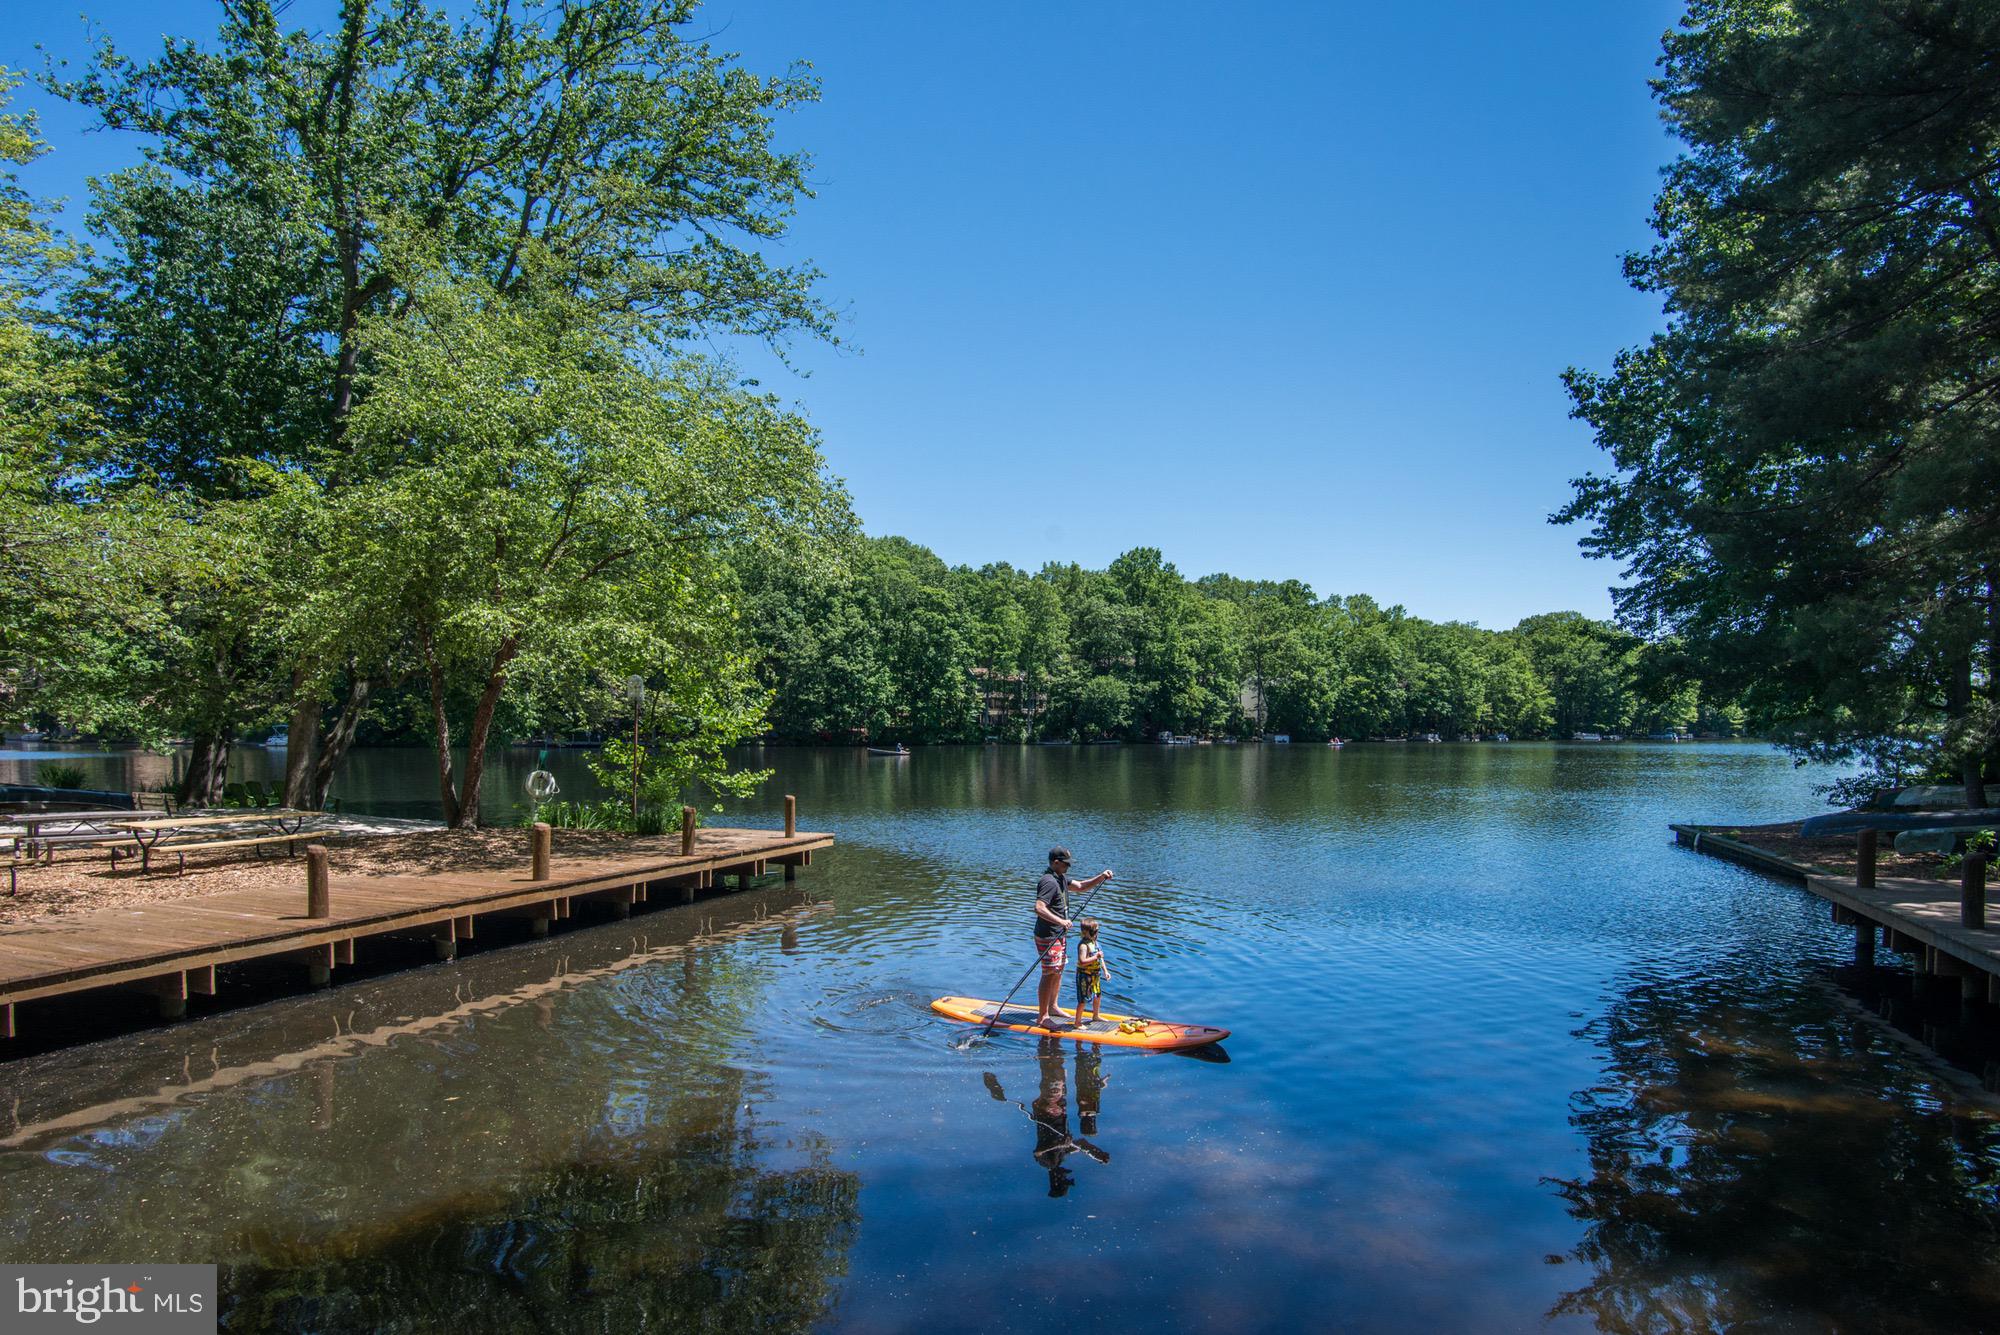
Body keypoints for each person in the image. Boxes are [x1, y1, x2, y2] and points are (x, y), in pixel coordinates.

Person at [1033, 847, 1113, 1028]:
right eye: (1065, 864)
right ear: (1055, 862)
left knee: (1058, 970)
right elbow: (1039, 907)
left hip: (1059, 934)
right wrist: (1061, 921)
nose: (1068, 867)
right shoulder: (1048, 881)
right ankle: (1042, 1016)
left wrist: (1101, 877)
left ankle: (1053, 1007)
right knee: (1049, 972)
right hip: (1048, 935)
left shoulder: (1060, 878)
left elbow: (1082, 886)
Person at [1075, 918, 1109, 1024]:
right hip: (1084, 976)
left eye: (1097, 931)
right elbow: (1082, 961)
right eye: (1094, 931)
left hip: (1095, 976)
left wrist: (1105, 971)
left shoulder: (1096, 943)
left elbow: (1101, 959)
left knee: (1098, 995)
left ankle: (1096, 1015)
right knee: (1083, 999)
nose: (1096, 934)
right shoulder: (1083, 946)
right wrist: (1096, 957)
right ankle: (1077, 1022)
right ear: (1085, 933)